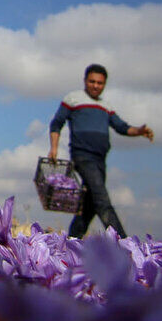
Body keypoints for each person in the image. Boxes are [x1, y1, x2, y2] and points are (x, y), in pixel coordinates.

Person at [48, 63, 154, 239]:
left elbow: (121, 127)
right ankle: (124, 243)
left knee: (89, 207)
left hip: (100, 160)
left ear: (104, 84)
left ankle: (70, 243)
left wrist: (140, 131)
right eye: (92, 81)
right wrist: (54, 148)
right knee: (102, 199)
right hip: (82, 156)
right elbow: (57, 123)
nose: (96, 86)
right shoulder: (73, 98)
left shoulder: (106, 105)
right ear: (85, 81)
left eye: (100, 83)